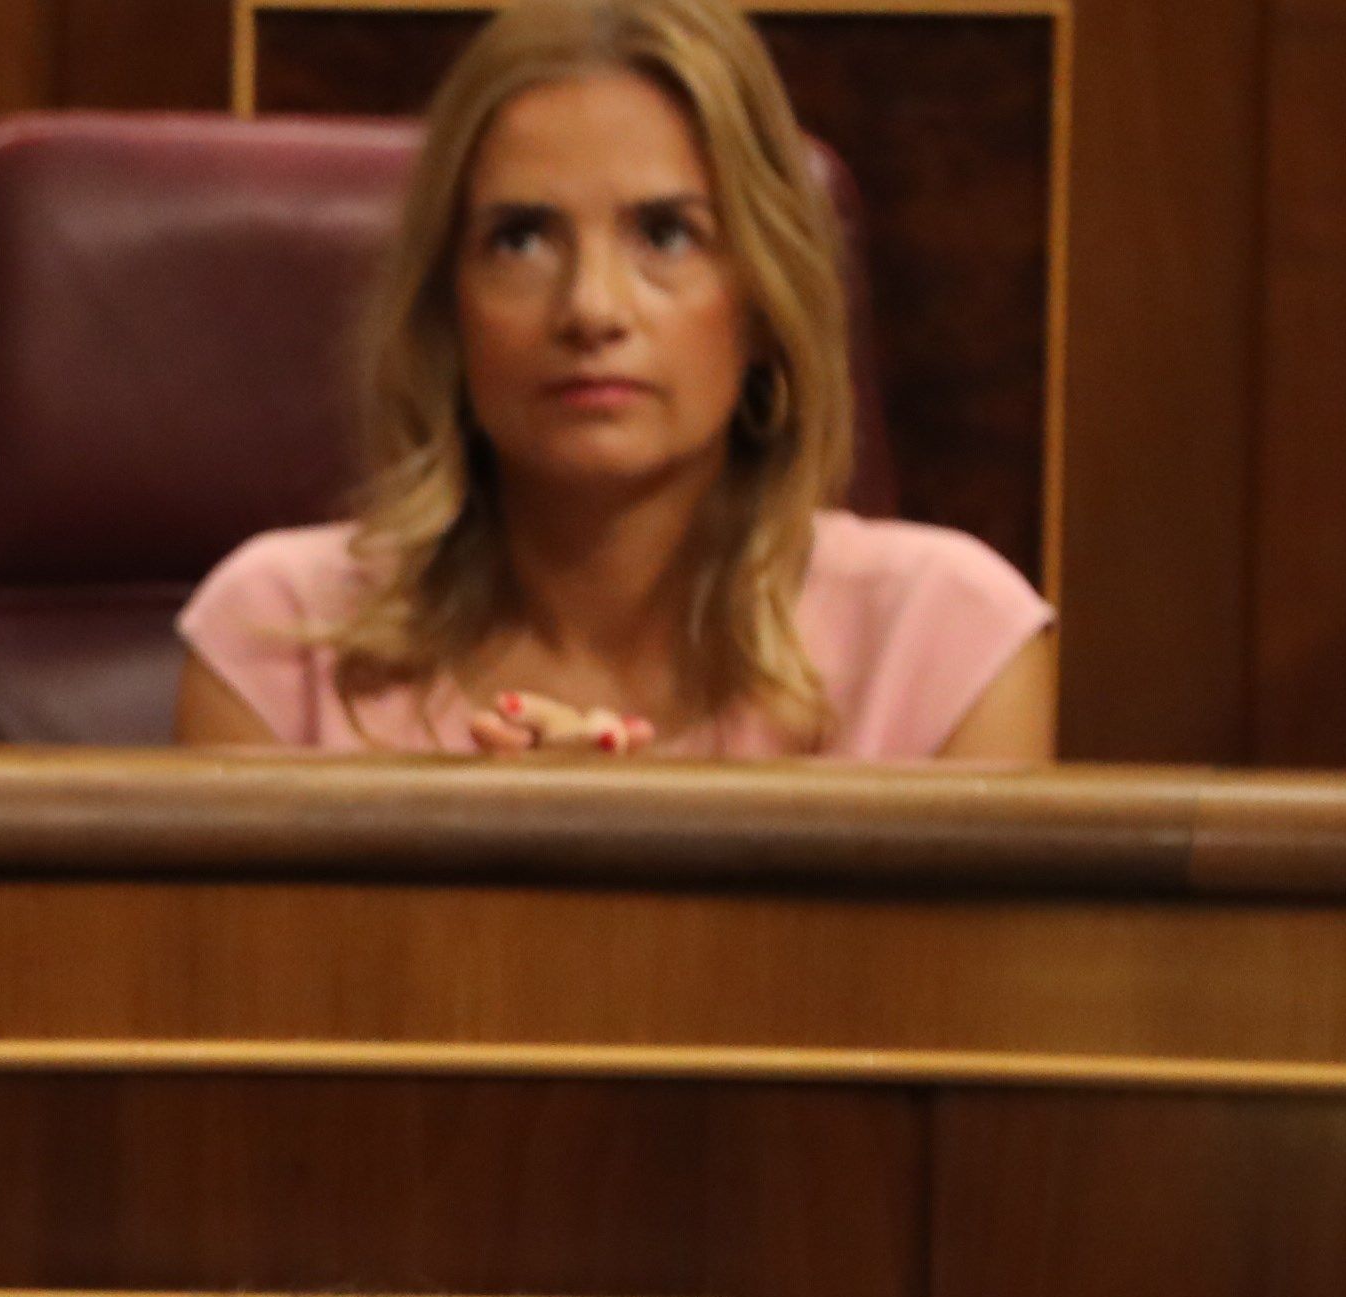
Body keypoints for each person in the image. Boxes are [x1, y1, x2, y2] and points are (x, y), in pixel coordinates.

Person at [174, 0, 1051, 761]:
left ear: (760, 302)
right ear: (449, 310)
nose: (591, 309)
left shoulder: (944, 644)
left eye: (666, 235)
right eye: (521, 239)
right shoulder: (277, 642)